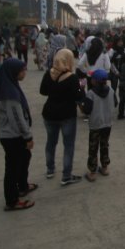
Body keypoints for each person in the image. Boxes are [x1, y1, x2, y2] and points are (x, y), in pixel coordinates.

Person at [0, 58, 36, 211]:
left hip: (12, 134)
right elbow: (17, 118)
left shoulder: (10, 85)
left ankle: (22, 186)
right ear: (14, 72)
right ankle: (12, 200)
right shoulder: (10, 93)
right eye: (22, 70)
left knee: (24, 157)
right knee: (13, 168)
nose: (24, 73)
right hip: (12, 135)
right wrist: (27, 136)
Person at [40, 48, 84, 185]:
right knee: (68, 145)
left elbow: (43, 91)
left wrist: (55, 90)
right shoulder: (72, 77)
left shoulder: (49, 74)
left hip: (49, 113)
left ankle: (50, 169)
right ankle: (66, 175)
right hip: (67, 114)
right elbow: (78, 97)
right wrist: (80, 88)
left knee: (51, 142)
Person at [82, 69, 117, 182]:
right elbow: (115, 103)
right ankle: (105, 167)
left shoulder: (90, 94)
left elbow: (86, 110)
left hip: (95, 125)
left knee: (93, 148)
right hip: (107, 123)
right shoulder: (111, 90)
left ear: (94, 81)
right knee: (104, 145)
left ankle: (92, 172)